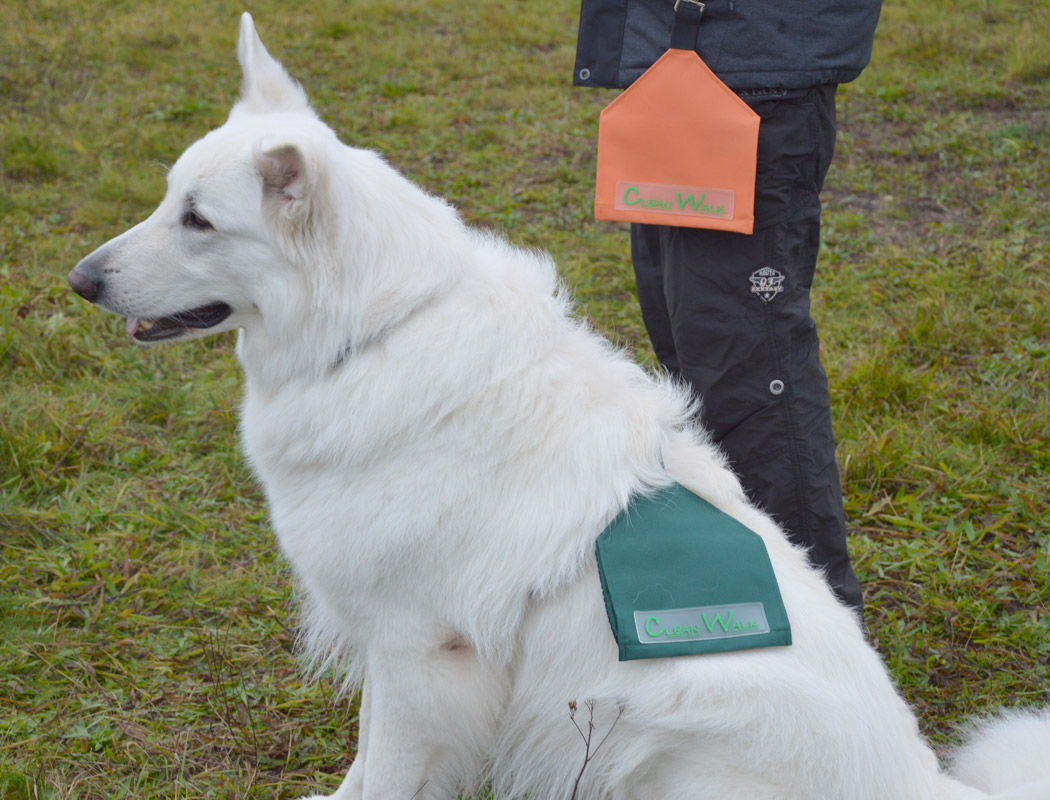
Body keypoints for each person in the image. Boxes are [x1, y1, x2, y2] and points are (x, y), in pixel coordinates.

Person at [573, 0, 883, 614]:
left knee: (747, 365)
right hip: (683, 63)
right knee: (691, 347)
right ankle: (738, 592)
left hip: (747, 71)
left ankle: (812, 617)